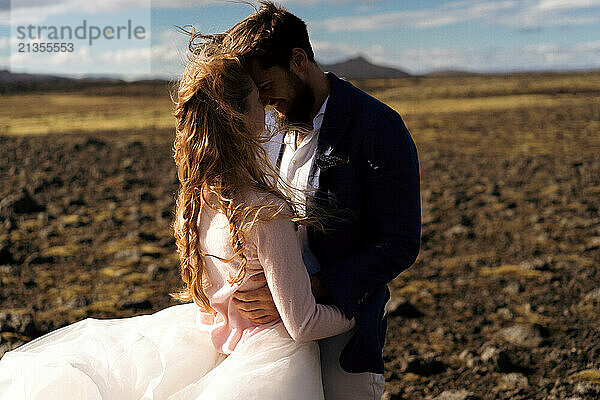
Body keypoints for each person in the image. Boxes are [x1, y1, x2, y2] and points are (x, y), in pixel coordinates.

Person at [0, 44, 355, 399]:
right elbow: (303, 323)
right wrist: (356, 311)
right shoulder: (264, 212)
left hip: (218, 351)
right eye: (255, 100)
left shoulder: (198, 198)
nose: (265, 107)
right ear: (238, 119)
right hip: (271, 363)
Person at [219, 2, 422, 399]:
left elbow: (398, 243)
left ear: (298, 60)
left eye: (265, 87)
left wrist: (311, 289)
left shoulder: (377, 125)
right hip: (274, 333)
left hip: (342, 327)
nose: (262, 102)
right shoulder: (270, 126)